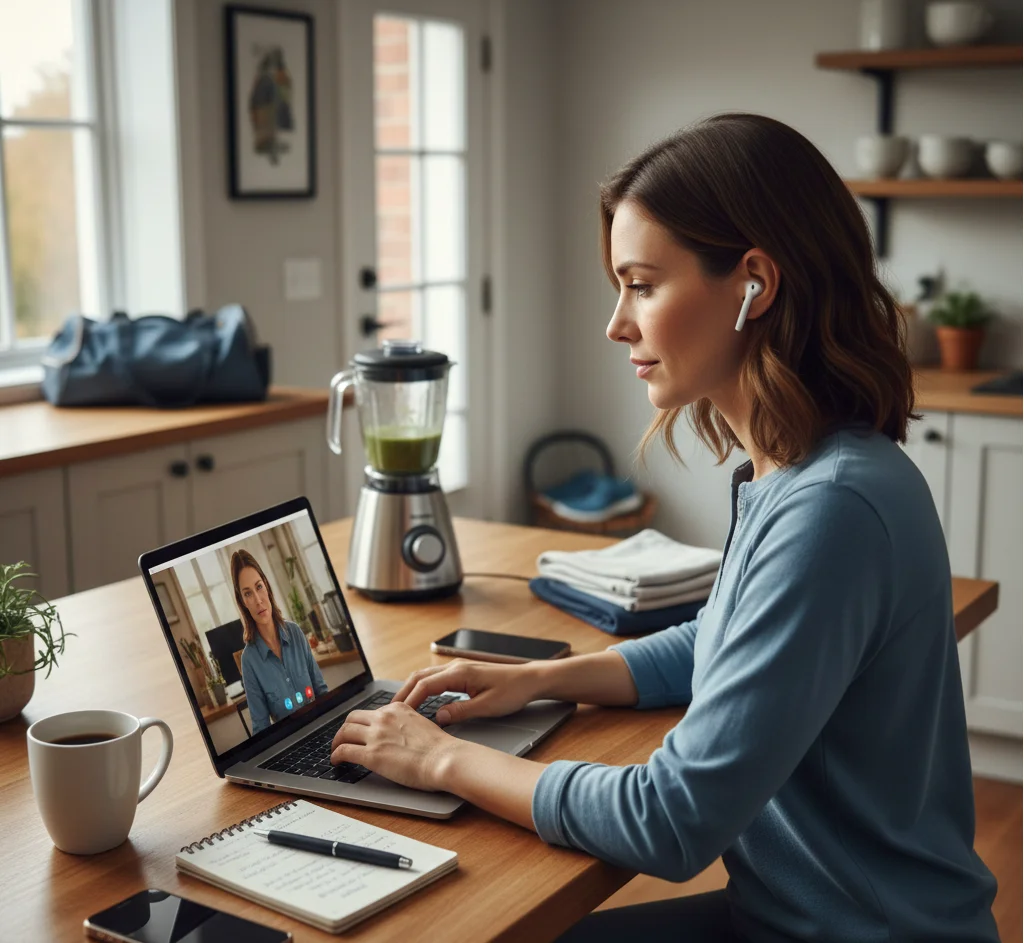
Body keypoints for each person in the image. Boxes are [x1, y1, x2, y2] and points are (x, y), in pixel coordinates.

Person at [326, 114, 999, 942]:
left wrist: (440, 758)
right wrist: (541, 678)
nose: (617, 323)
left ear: (755, 283)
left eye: (642, 285)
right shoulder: (802, 469)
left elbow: (670, 820)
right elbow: (719, 638)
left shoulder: (832, 508)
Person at [233, 549, 328, 735]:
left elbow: (322, 692)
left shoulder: (296, 633)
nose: (258, 600)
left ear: (267, 586)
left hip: (322, 729)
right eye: (248, 594)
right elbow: (261, 729)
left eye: (259, 587)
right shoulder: (249, 661)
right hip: (291, 743)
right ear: (243, 601)